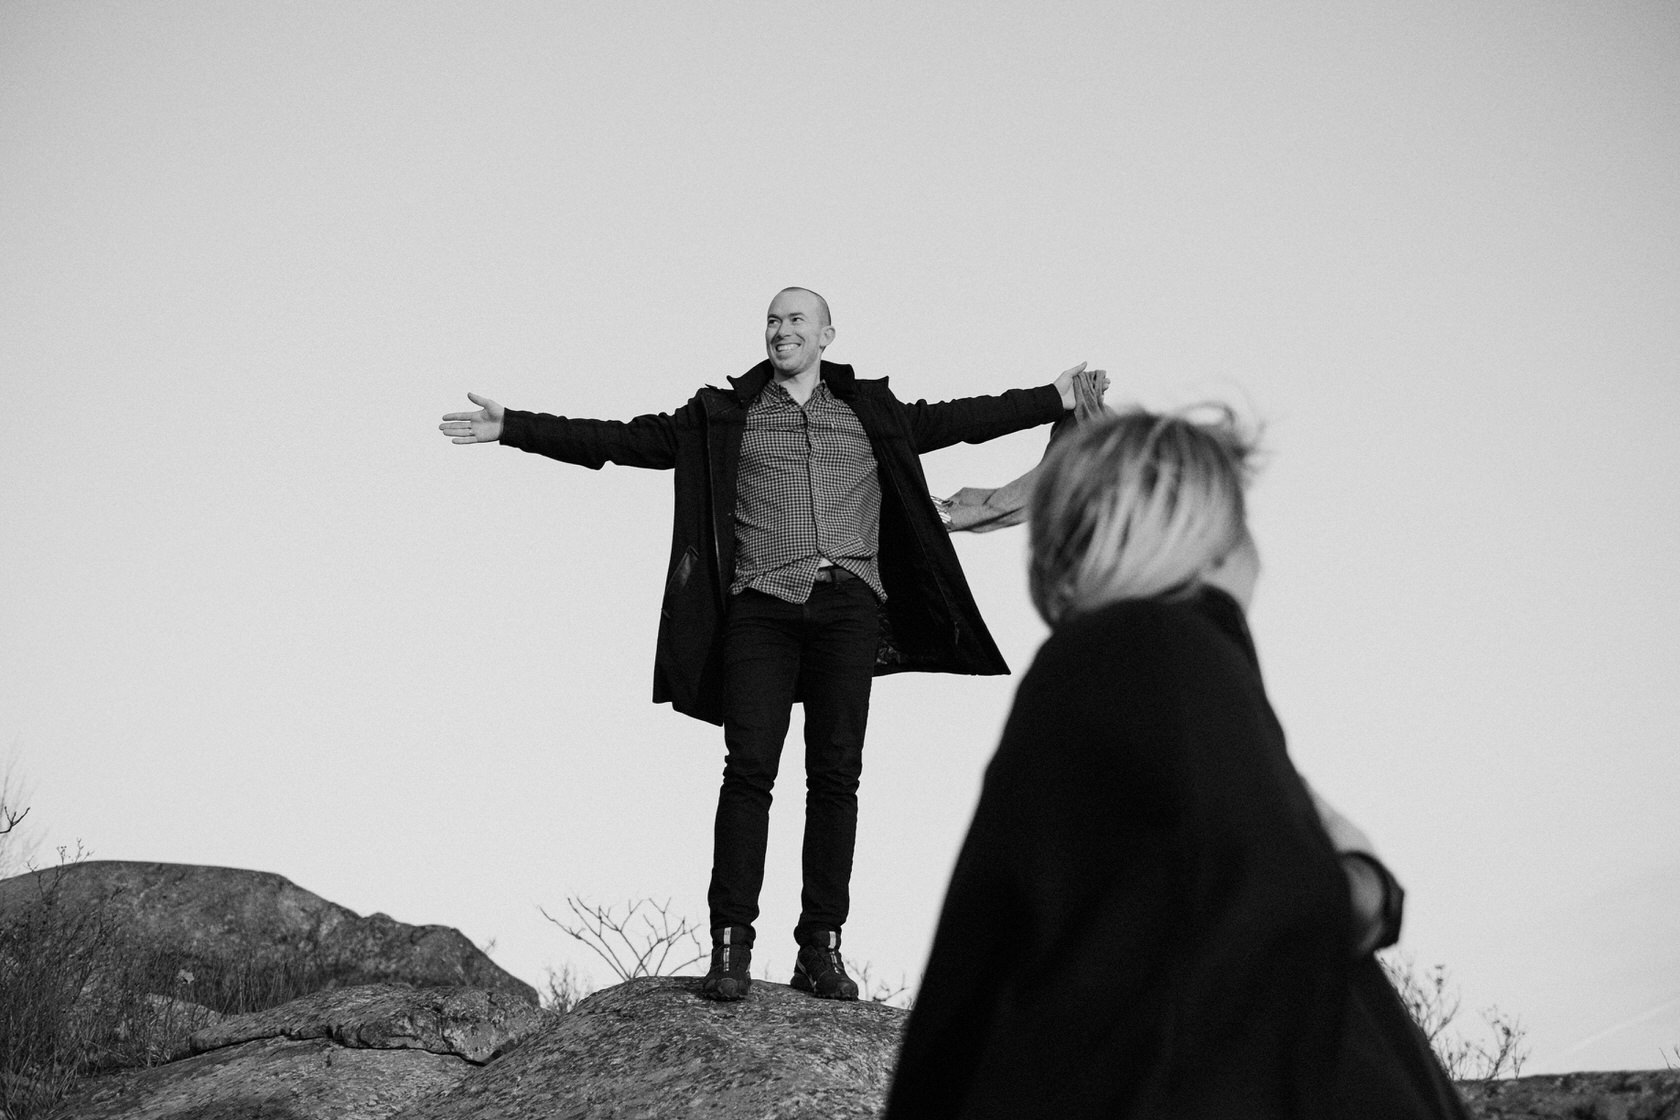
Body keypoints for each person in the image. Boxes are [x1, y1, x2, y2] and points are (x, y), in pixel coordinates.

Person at [439, 287, 1085, 1002]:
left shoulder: (871, 414)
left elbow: (969, 419)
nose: (781, 331)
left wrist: (1053, 396)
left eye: (795, 320)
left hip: (849, 607)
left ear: (826, 336)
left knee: (836, 776)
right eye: (773, 321)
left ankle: (820, 950)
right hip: (762, 610)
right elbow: (620, 441)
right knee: (748, 772)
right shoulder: (725, 417)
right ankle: (730, 949)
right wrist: (514, 427)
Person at [884, 408, 1469, 1118]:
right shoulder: (1159, 652)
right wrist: (1363, 874)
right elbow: (1262, 912)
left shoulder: (1102, 672)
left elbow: (982, 994)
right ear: (1204, 536)